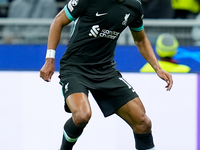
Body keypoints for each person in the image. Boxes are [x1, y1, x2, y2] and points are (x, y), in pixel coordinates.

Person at [40, 0, 173, 150]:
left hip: (105, 71)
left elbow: (141, 40)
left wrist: (157, 68)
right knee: (82, 115)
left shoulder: (134, 6)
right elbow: (58, 21)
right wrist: (49, 59)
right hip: (75, 68)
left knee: (143, 122)